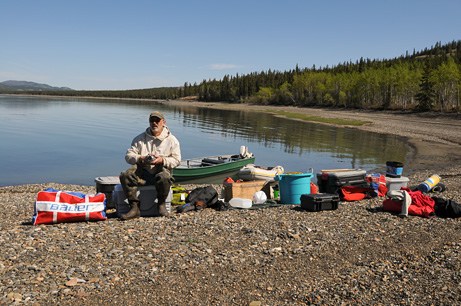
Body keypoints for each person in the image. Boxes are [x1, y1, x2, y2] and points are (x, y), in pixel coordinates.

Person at [119, 111, 181, 220]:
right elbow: (128, 156)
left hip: (160, 173)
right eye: (152, 121)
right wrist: (140, 158)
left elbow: (177, 160)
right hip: (142, 173)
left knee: (165, 177)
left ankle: (161, 205)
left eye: (157, 121)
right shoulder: (139, 139)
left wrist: (161, 160)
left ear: (163, 122)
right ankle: (134, 207)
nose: (154, 123)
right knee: (125, 175)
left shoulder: (172, 140)